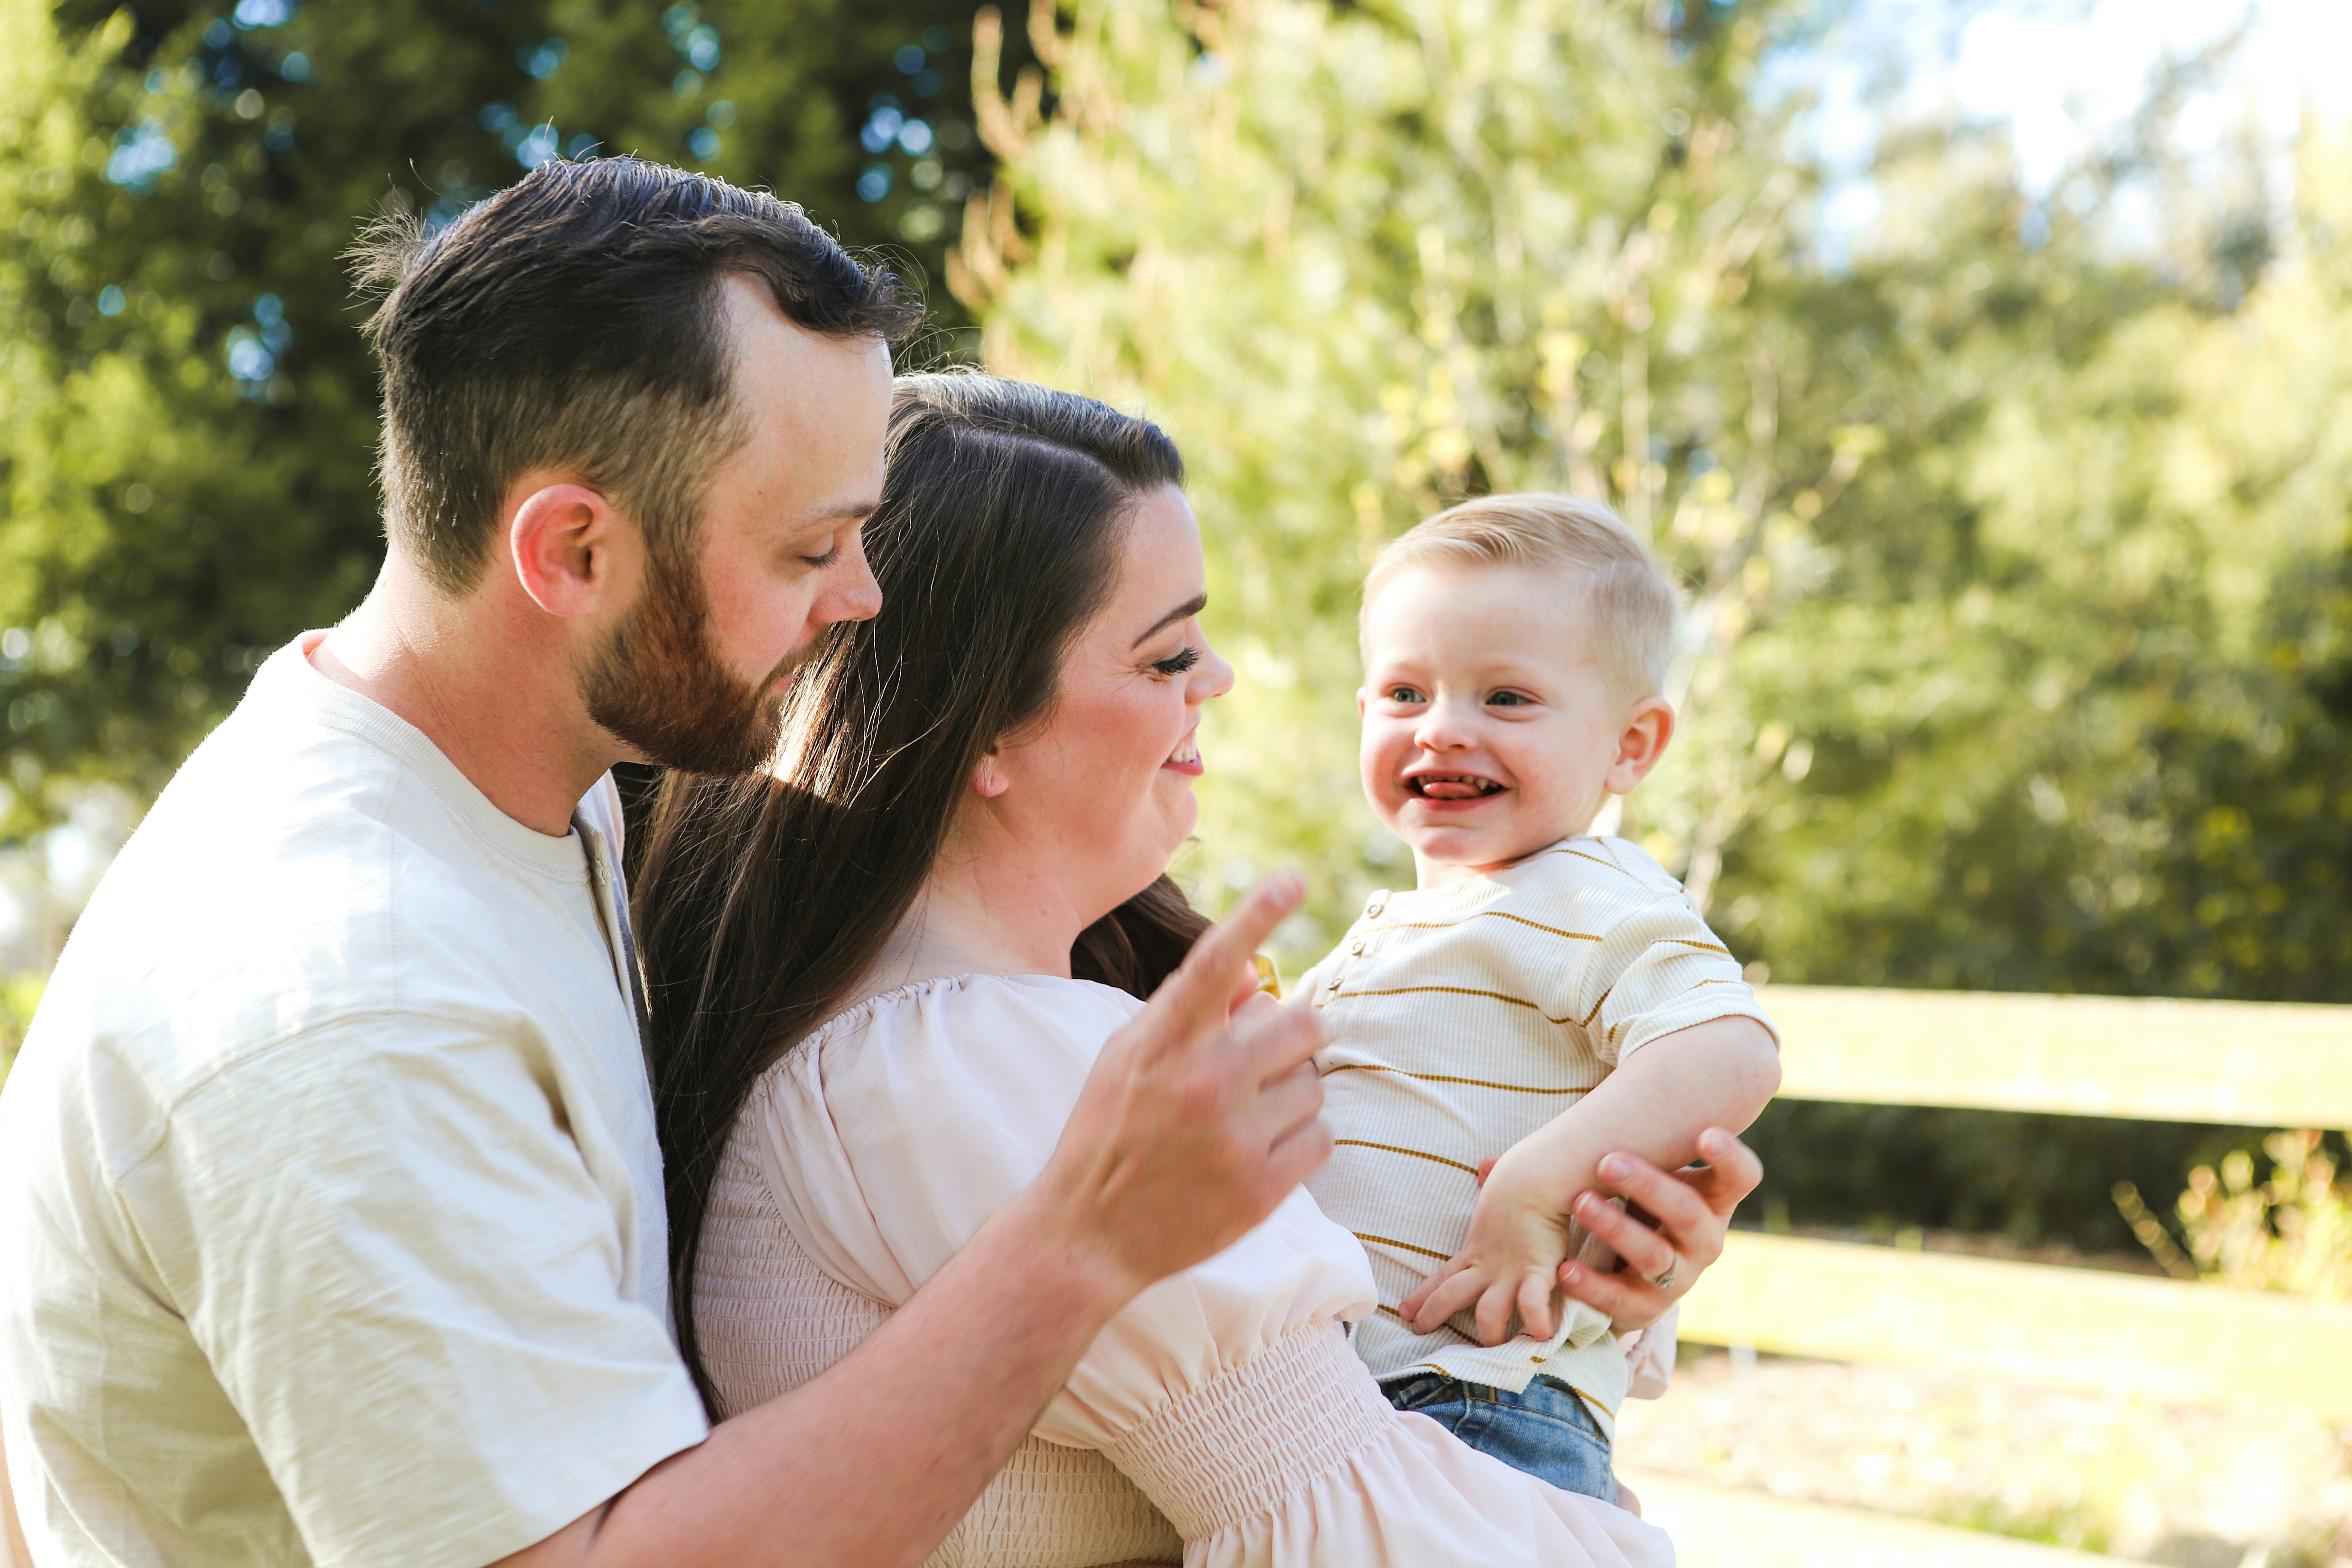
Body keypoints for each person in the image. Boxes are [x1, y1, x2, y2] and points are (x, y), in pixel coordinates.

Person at [0, 159, 1338, 1568]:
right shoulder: (357, 999)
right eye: (812, 548)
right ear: (574, 551)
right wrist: (1081, 1246)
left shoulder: (513, 786)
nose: (865, 597)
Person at [633, 376, 1764, 1565]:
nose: (1216, 678)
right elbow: (1354, 1526)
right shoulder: (977, 1057)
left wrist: (1588, 1258)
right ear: (988, 728)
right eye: (1167, 653)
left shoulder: (976, 1031)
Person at [1293, 493, 1784, 1507]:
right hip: (1354, 1400)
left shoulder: (1592, 893)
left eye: (1506, 698)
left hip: (1481, 1399)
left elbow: (1732, 1050)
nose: (1443, 730)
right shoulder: (1389, 935)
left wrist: (1535, 1187)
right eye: (1406, 693)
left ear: (1631, 745)